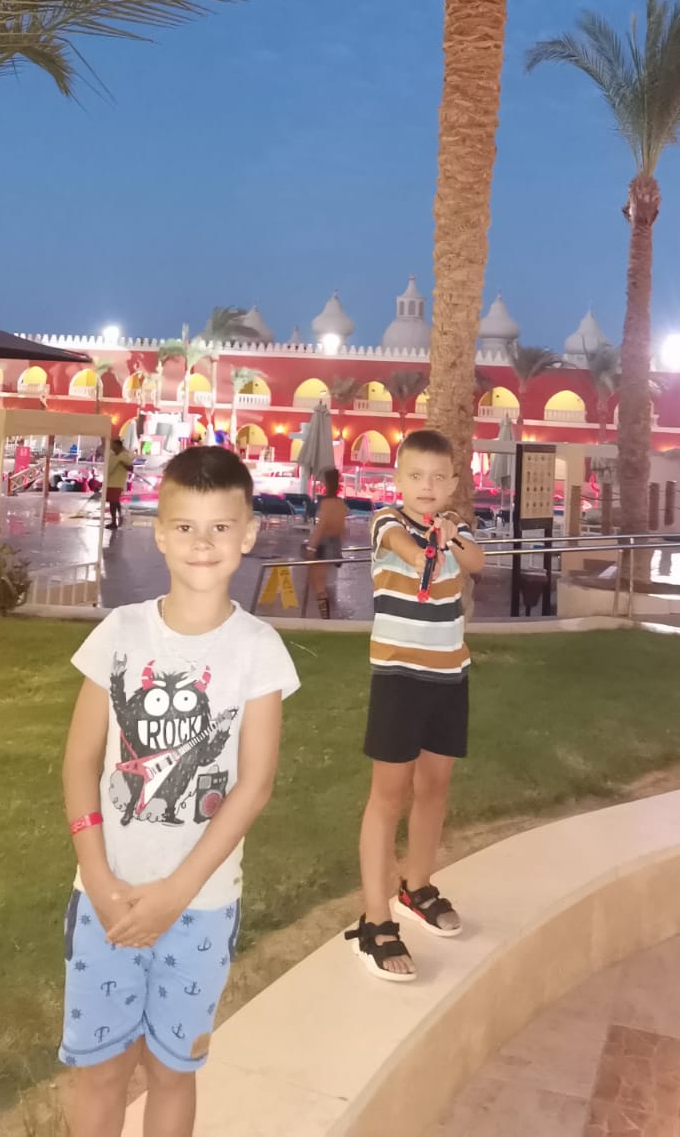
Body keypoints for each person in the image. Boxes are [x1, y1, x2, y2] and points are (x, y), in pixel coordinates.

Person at [59, 446, 299, 1137]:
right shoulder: (120, 633)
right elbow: (79, 760)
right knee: (101, 1071)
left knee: (172, 1071)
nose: (202, 543)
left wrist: (177, 891)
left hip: (201, 908)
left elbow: (254, 785)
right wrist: (97, 874)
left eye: (220, 527)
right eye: (186, 526)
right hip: (104, 899)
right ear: (159, 532)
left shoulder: (258, 649)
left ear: (248, 534)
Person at [345, 428, 484, 982]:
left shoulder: (457, 527)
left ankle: (416, 886)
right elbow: (410, 551)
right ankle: (374, 919)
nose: (427, 486)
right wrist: (436, 539)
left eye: (438, 477)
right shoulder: (386, 522)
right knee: (388, 796)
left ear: (453, 483)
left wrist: (452, 535)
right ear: (398, 480)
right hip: (399, 678)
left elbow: (476, 563)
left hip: (449, 677)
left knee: (435, 787)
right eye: (415, 476)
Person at [303, 467, 347, 619]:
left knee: (318, 583)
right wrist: (339, 548)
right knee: (321, 581)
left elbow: (321, 527)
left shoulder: (326, 503)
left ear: (327, 483)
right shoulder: (341, 504)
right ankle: (324, 616)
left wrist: (311, 547)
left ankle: (324, 617)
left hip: (322, 544)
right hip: (334, 543)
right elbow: (342, 529)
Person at [105, 435, 133, 531]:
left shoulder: (124, 456)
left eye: (114, 446)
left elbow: (131, 468)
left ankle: (114, 521)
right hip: (110, 482)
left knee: (113, 502)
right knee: (114, 501)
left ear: (119, 446)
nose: (112, 447)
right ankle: (119, 517)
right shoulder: (112, 456)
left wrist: (122, 463)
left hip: (117, 483)